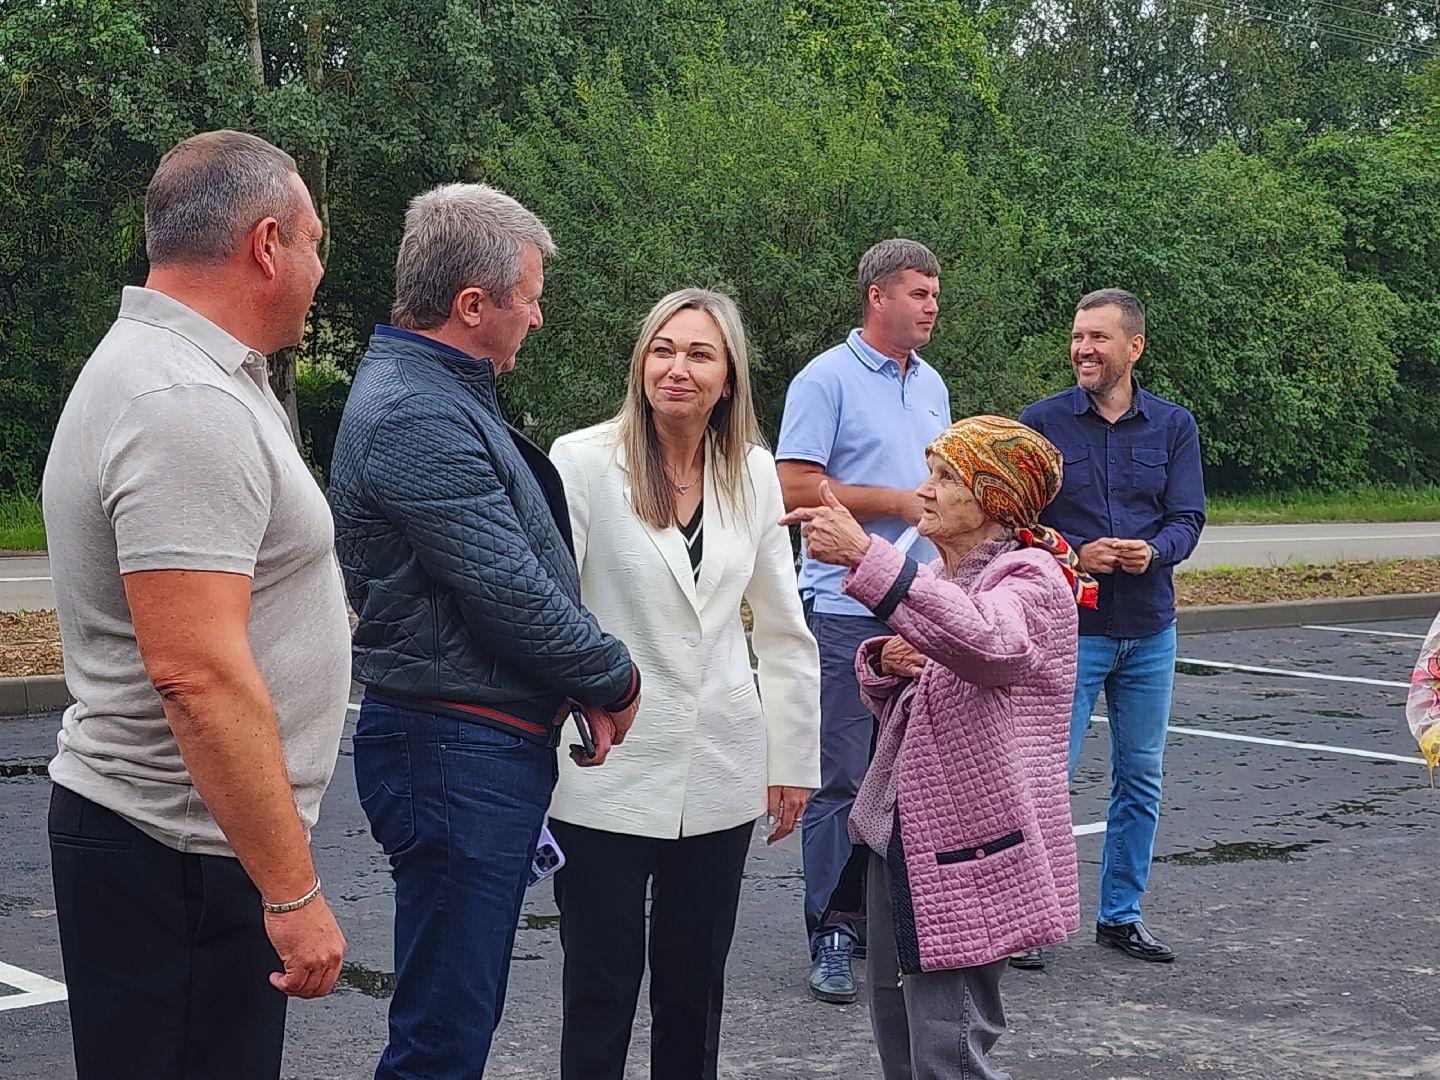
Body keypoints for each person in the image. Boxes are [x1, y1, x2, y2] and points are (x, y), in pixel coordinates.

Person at [41, 130, 351, 1080]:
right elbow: (197, 675)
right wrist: (292, 894)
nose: (317, 268)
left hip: (178, 851)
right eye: (314, 242)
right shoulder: (182, 399)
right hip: (179, 857)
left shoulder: (187, 373)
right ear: (266, 245)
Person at [328, 182, 641, 1079]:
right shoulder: (417, 410)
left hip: (471, 742)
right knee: (444, 1031)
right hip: (454, 749)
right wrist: (612, 676)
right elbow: (505, 586)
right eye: (529, 298)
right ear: (473, 305)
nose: (538, 319)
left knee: (457, 1014)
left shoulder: (435, 392)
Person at [547, 288, 821, 1079]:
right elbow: (553, 609)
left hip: (721, 770)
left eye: (700, 353)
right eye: (663, 350)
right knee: (599, 986)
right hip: (608, 766)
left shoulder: (755, 473)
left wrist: (792, 760)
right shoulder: (584, 460)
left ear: (728, 376)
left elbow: (781, 627)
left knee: (693, 988)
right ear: (640, 364)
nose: (678, 368)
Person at [780, 415, 1087, 1080]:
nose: (924, 489)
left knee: (948, 1051)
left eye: (946, 477)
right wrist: (883, 662)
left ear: (995, 499)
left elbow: (990, 647)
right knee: (902, 1034)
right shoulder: (947, 575)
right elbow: (924, 697)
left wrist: (865, 556)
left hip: (969, 851)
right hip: (907, 840)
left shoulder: (1030, 578)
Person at [776, 238, 952, 1003]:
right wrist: (896, 501)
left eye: (936, 292)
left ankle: (895, 927)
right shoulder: (827, 377)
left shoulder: (933, 383)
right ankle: (833, 935)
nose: (932, 303)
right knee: (843, 782)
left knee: (912, 778)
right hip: (847, 607)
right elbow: (796, 487)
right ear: (877, 296)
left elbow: (938, 489)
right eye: (918, 291)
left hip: (919, 602)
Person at [1018, 288, 1206, 966]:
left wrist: (1154, 551)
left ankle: (1121, 916)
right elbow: (1015, 522)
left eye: (1098, 337)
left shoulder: (1173, 426)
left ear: (1134, 347)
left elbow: (1188, 516)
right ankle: (1032, 923)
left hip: (1151, 627)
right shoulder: (1039, 423)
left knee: (1141, 777)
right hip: (1070, 629)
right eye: (1077, 336)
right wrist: (1073, 552)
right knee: (1046, 777)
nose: (1083, 349)